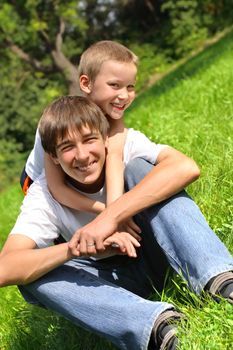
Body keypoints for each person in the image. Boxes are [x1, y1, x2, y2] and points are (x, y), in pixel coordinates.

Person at [1, 96, 233, 350]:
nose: (82, 155)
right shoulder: (44, 195)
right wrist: (78, 246)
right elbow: (5, 267)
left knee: (141, 170)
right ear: (53, 157)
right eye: (67, 147)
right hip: (109, 279)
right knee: (33, 278)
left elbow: (186, 168)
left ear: (104, 138)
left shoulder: (125, 147)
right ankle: (158, 326)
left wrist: (110, 217)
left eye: (89, 140)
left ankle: (220, 280)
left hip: (160, 251)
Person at [20, 41, 141, 240]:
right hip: (38, 178)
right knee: (64, 224)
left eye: (130, 87)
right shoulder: (60, 123)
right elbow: (58, 189)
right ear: (86, 84)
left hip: (76, 164)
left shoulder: (114, 117)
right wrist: (107, 211)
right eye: (114, 85)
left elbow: (114, 158)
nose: (124, 95)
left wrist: (117, 213)